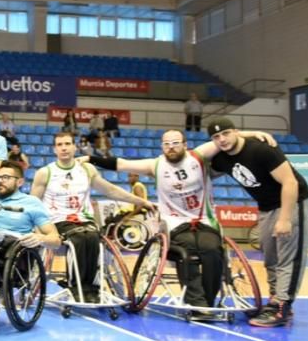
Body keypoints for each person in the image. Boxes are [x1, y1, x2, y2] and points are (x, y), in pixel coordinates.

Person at [84, 128, 265, 316]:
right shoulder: (155, 165)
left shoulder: (199, 156)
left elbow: (224, 139)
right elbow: (121, 164)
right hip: (175, 225)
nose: (171, 147)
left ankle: (207, 302)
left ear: (185, 145)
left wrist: (253, 134)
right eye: (167, 144)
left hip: (204, 222)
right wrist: (90, 159)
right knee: (186, 253)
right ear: (162, 147)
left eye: (175, 143)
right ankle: (196, 302)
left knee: (212, 251)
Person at [206, 117, 308, 327]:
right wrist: (247, 133)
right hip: (265, 206)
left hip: (291, 202)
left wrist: (285, 219)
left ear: (235, 131)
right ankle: (275, 300)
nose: (222, 139)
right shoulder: (222, 159)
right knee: (270, 257)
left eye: (226, 133)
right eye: (216, 137)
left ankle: (282, 305)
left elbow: (290, 182)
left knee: (288, 258)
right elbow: (200, 159)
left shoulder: (262, 150)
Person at [30, 132, 151, 302]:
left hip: (85, 220)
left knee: (93, 237)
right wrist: (37, 229)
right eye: (59, 145)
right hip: (58, 221)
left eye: (67, 144)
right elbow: (33, 203)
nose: (64, 148)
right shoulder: (45, 172)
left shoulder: (87, 169)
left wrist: (140, 201)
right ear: (54, 149)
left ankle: (92, 288)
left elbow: (110, 190)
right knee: (78, 239)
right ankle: (76, 285)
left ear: (74, 147)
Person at [0, 160, 61, 275]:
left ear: (19, 182)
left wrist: (40, 238)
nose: (0, 181)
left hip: (13, 243)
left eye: (6, 177)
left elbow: (56, 240)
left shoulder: (32, 203)